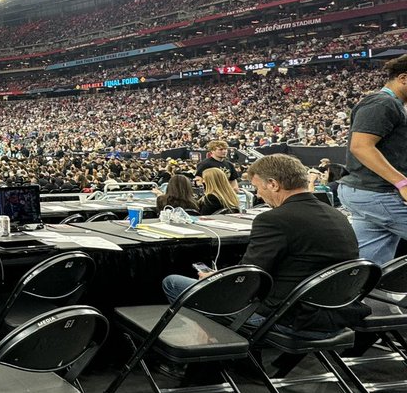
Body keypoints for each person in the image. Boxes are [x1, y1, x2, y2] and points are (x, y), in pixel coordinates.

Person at [162, 155, 362, 333]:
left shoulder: (273, 220)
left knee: (173, 283)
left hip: (289, 316)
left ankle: (209, 354)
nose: (257, 195)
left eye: (258, 187)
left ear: (273, 184)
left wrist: (217, 278)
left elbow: (248, 278)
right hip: (336, 311)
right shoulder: (336, 215)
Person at [339, 54, 407, 265]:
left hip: (366, 194)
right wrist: (402, 182)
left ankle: (358, 294)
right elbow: (361, 146)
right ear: (403, 78)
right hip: (378, 193)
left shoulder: (393, 105)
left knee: (368, 262)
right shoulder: (382, 102)